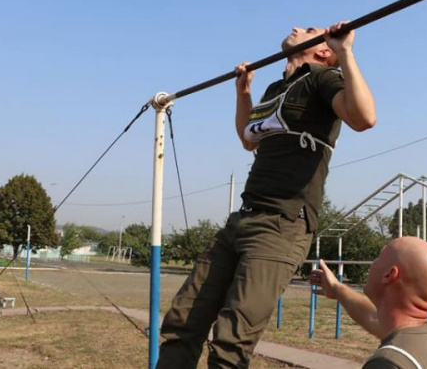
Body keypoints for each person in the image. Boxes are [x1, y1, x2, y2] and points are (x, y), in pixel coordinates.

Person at [157, 22, 376, 368]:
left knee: (230, 342)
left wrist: (345, 51)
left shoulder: (323, 79)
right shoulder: (277, 87)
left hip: (282, 225)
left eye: (307, 28)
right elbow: (249, 138)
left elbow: (364, 118)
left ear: (322, 50)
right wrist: (243, 92)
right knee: (182, 321)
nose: (295, 27)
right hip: (243, 218)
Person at [309, 236, 427, 368]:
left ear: (389, 274)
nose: (373, 262)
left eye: (380, 257)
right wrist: (337, 289)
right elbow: (374, 318)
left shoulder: (387, 363)